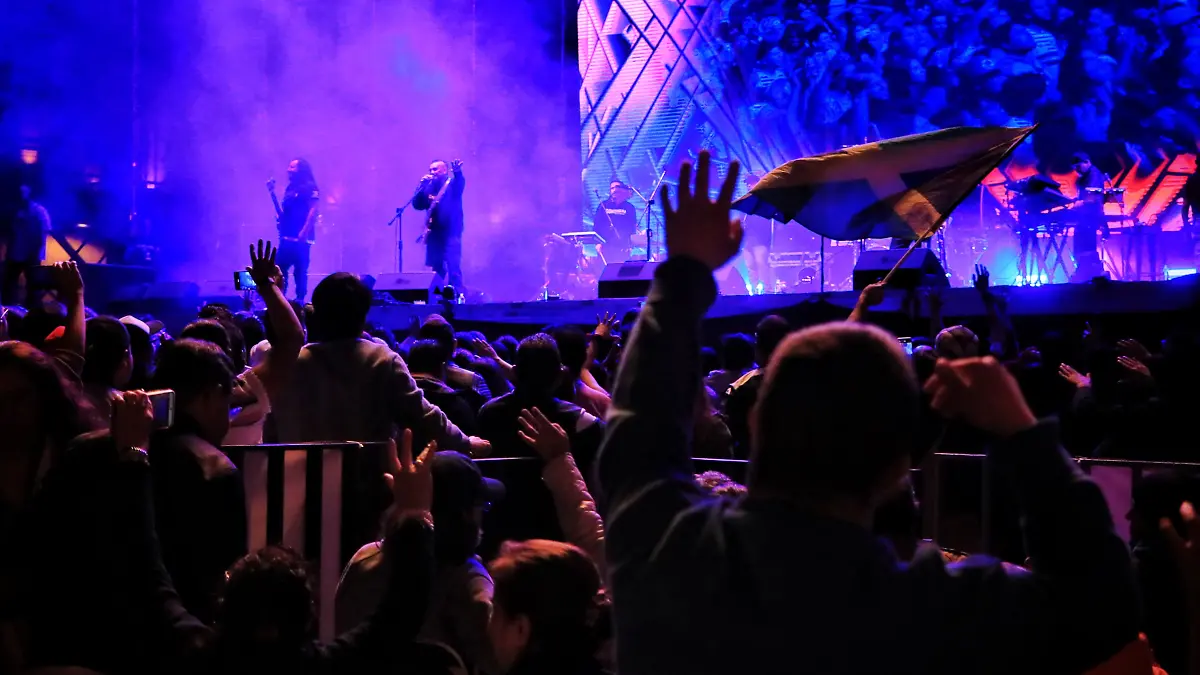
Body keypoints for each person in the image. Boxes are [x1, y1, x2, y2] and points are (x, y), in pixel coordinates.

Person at [597, 150, 1139, 674]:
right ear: (898, 467)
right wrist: (1021, 433)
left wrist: (683, 275)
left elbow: (638, 437)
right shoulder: (944, 610)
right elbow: (1098, 609)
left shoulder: (669, 554)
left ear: (757, 423)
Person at [267, 158, 319, 302]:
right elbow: (285, 211)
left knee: (300, 270)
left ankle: (300, 301)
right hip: (287, 236)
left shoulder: (310, 187)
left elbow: (313, 211)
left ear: (300, 170)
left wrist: (304, 231)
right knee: (279, 267)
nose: (288, 170)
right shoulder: (290, 188)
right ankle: (281, 297)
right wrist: (272, 194)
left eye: (292, 167)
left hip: (301, 237)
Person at [415, 159, 466, 292]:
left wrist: (458, 172)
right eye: (430, 170)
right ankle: (436, 297)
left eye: (435, 169)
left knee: (453, 265)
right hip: (434, 233)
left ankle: (457, 295)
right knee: (437, 267)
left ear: (444, 170)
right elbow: (417, 205)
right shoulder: (429, 187)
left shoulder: (451, 184)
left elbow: (460, 186)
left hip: (451, 231)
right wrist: (420, 187)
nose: (432, 172)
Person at [2, 185, 52, 306]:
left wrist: (36, 250)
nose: (21, 194)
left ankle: (31, 313)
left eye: (24, 192)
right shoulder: (14, 211)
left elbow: (45, 230)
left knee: (33, 286)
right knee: (9, 284)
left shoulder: (39, 211)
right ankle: (9, 310)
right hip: (15, 253)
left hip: (31, 254)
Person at [1070, 152, 1109, 281]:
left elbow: (1092, 196)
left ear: (1087, 162)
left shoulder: (1094, 175)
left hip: (1090, 216)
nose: (1077, 170)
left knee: (1085, 242)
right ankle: (1086, 270)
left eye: (1078, 166)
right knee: (1083, 242)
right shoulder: (1086, 176)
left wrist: (1080, 202)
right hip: (1086, 216)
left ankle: (1087, 271)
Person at [592, 181, 638, 263]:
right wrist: (597, 243)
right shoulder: (603, 205)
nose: (614, 189)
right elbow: (597, 225)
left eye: (617, 187)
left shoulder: (629, 207)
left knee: (620, 272)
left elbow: (632, 227)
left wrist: (630, 245)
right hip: (604, 245)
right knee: (603, 272)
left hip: (622, 246)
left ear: (623, 190)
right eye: (612, 188)